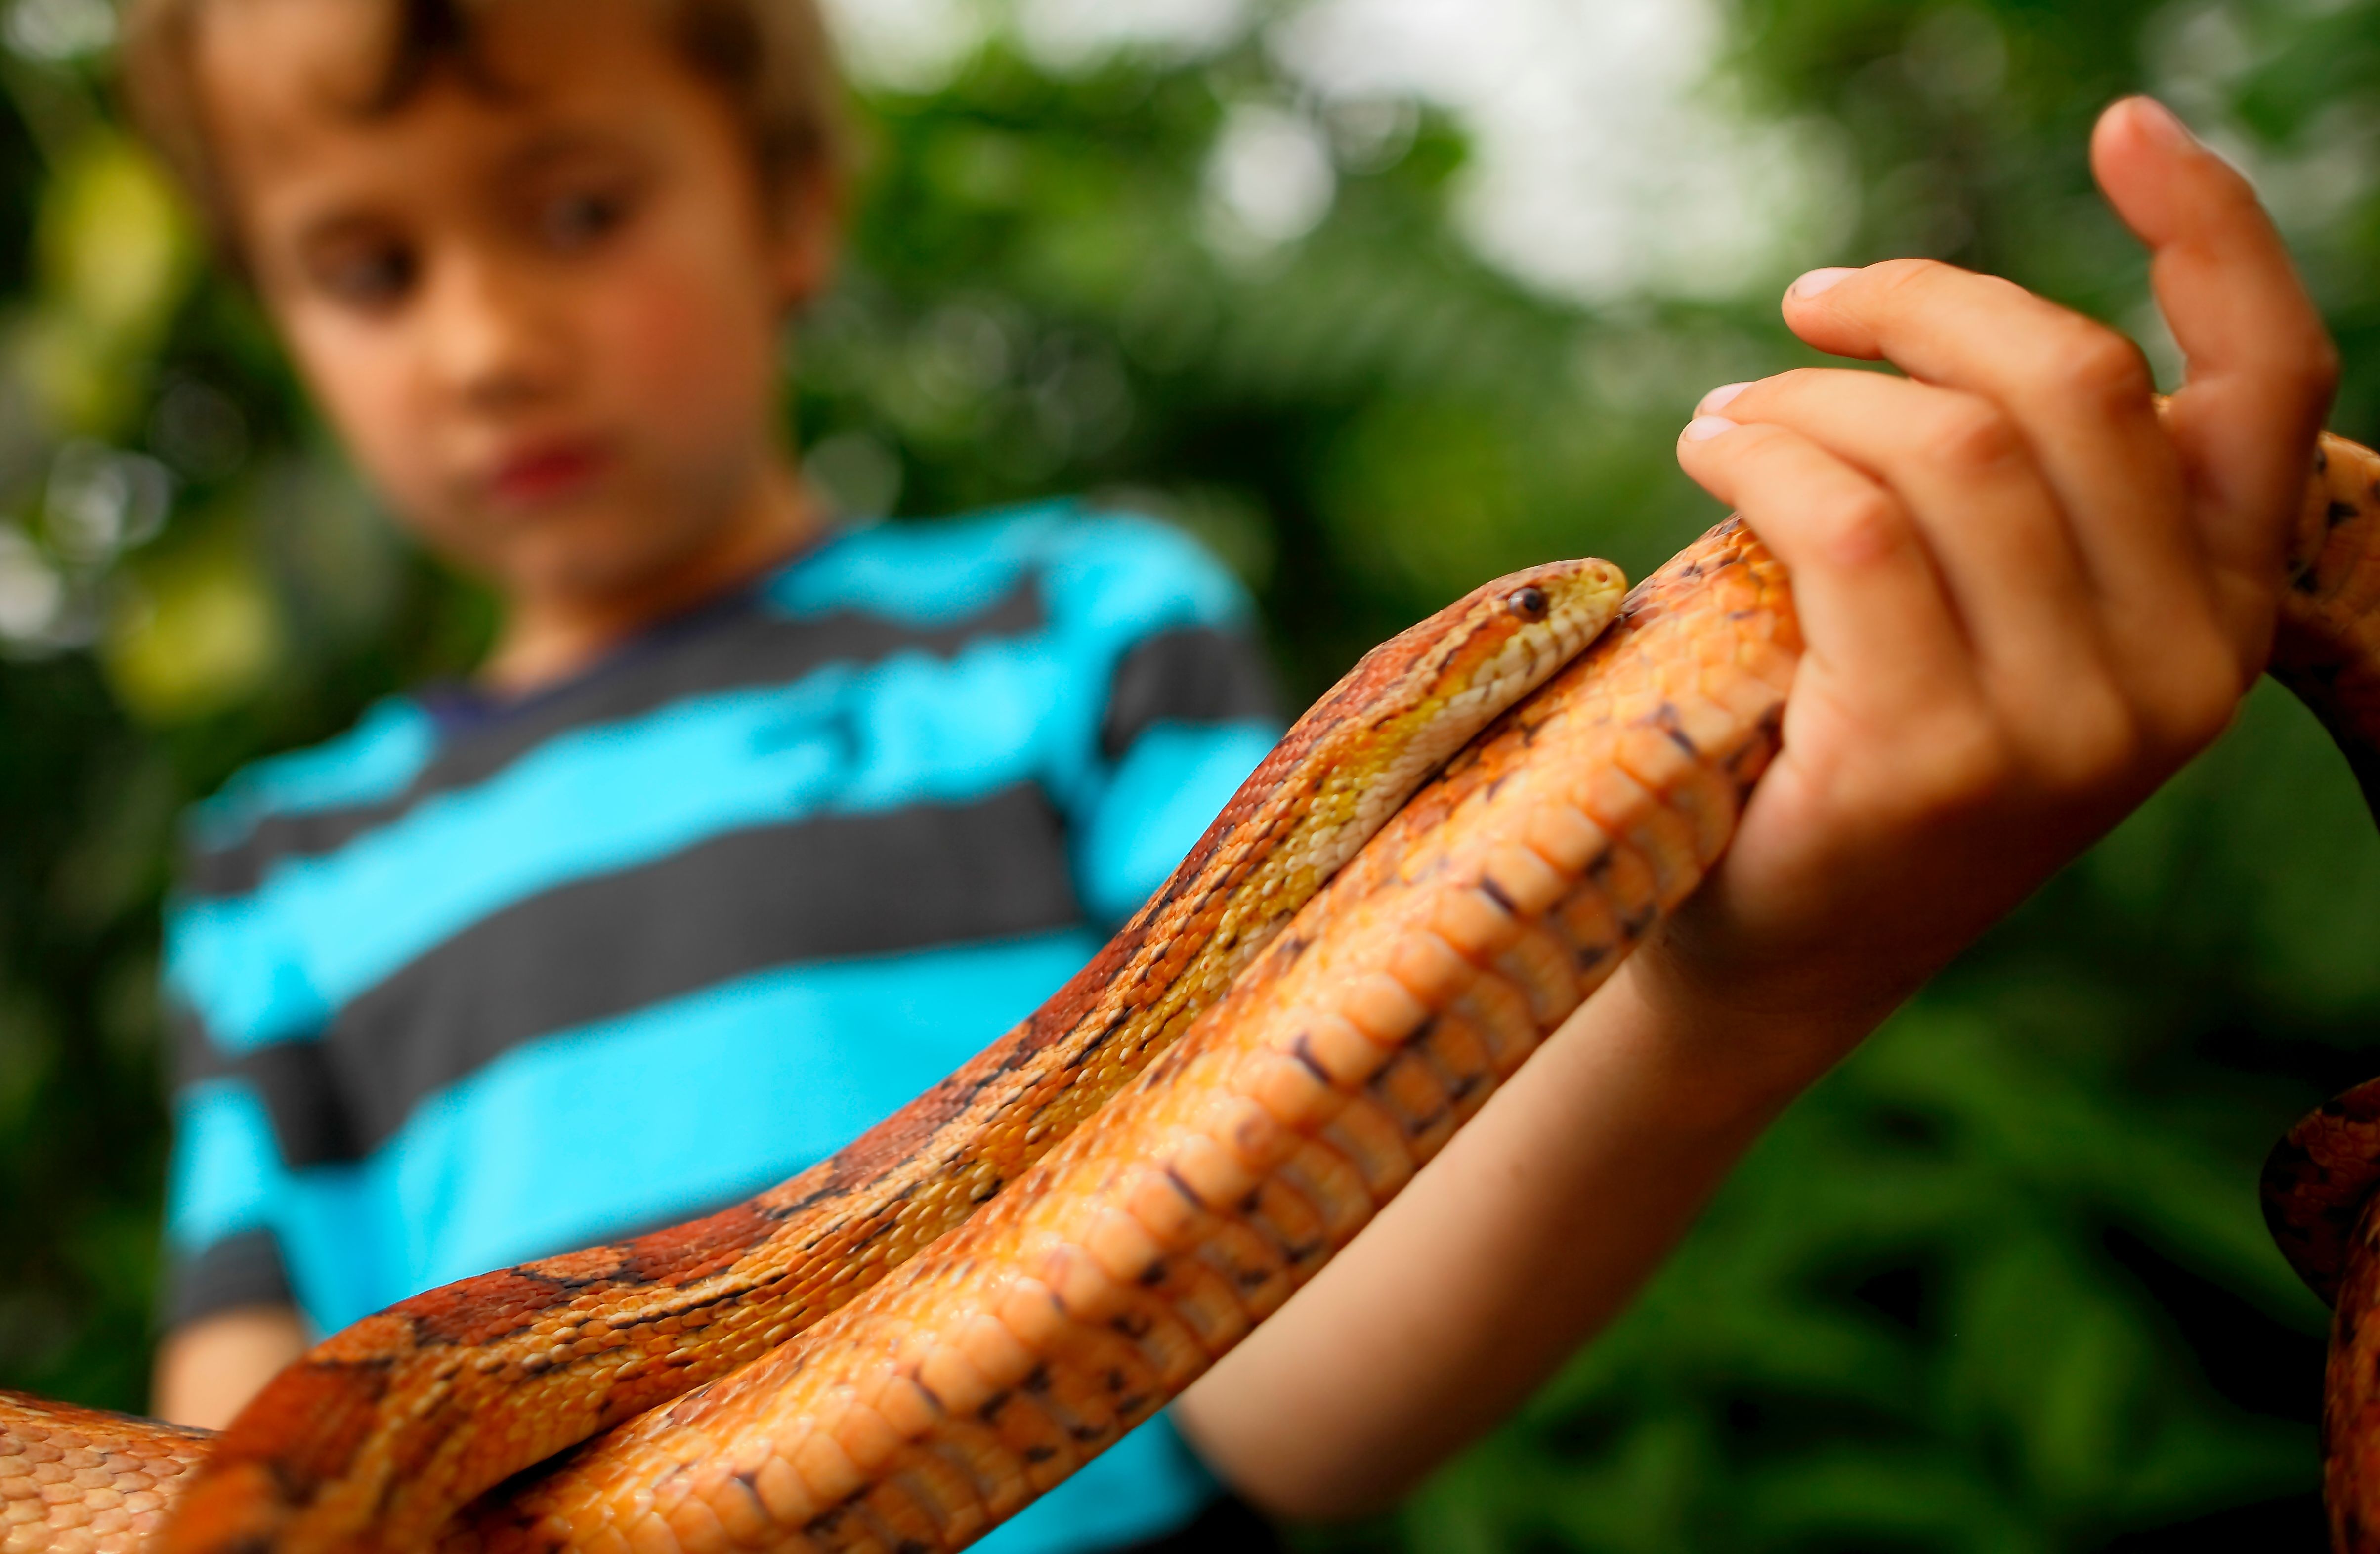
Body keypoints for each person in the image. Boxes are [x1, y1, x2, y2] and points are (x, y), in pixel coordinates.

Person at [123, 0, 2338, 1546]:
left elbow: (1267, 1312)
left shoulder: (1067, 633)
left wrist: (1724, 989)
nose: (489, 333)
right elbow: (231, 1477)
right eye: (368, 264)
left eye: (579, 209)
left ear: (793, 203)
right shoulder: (282, 871)